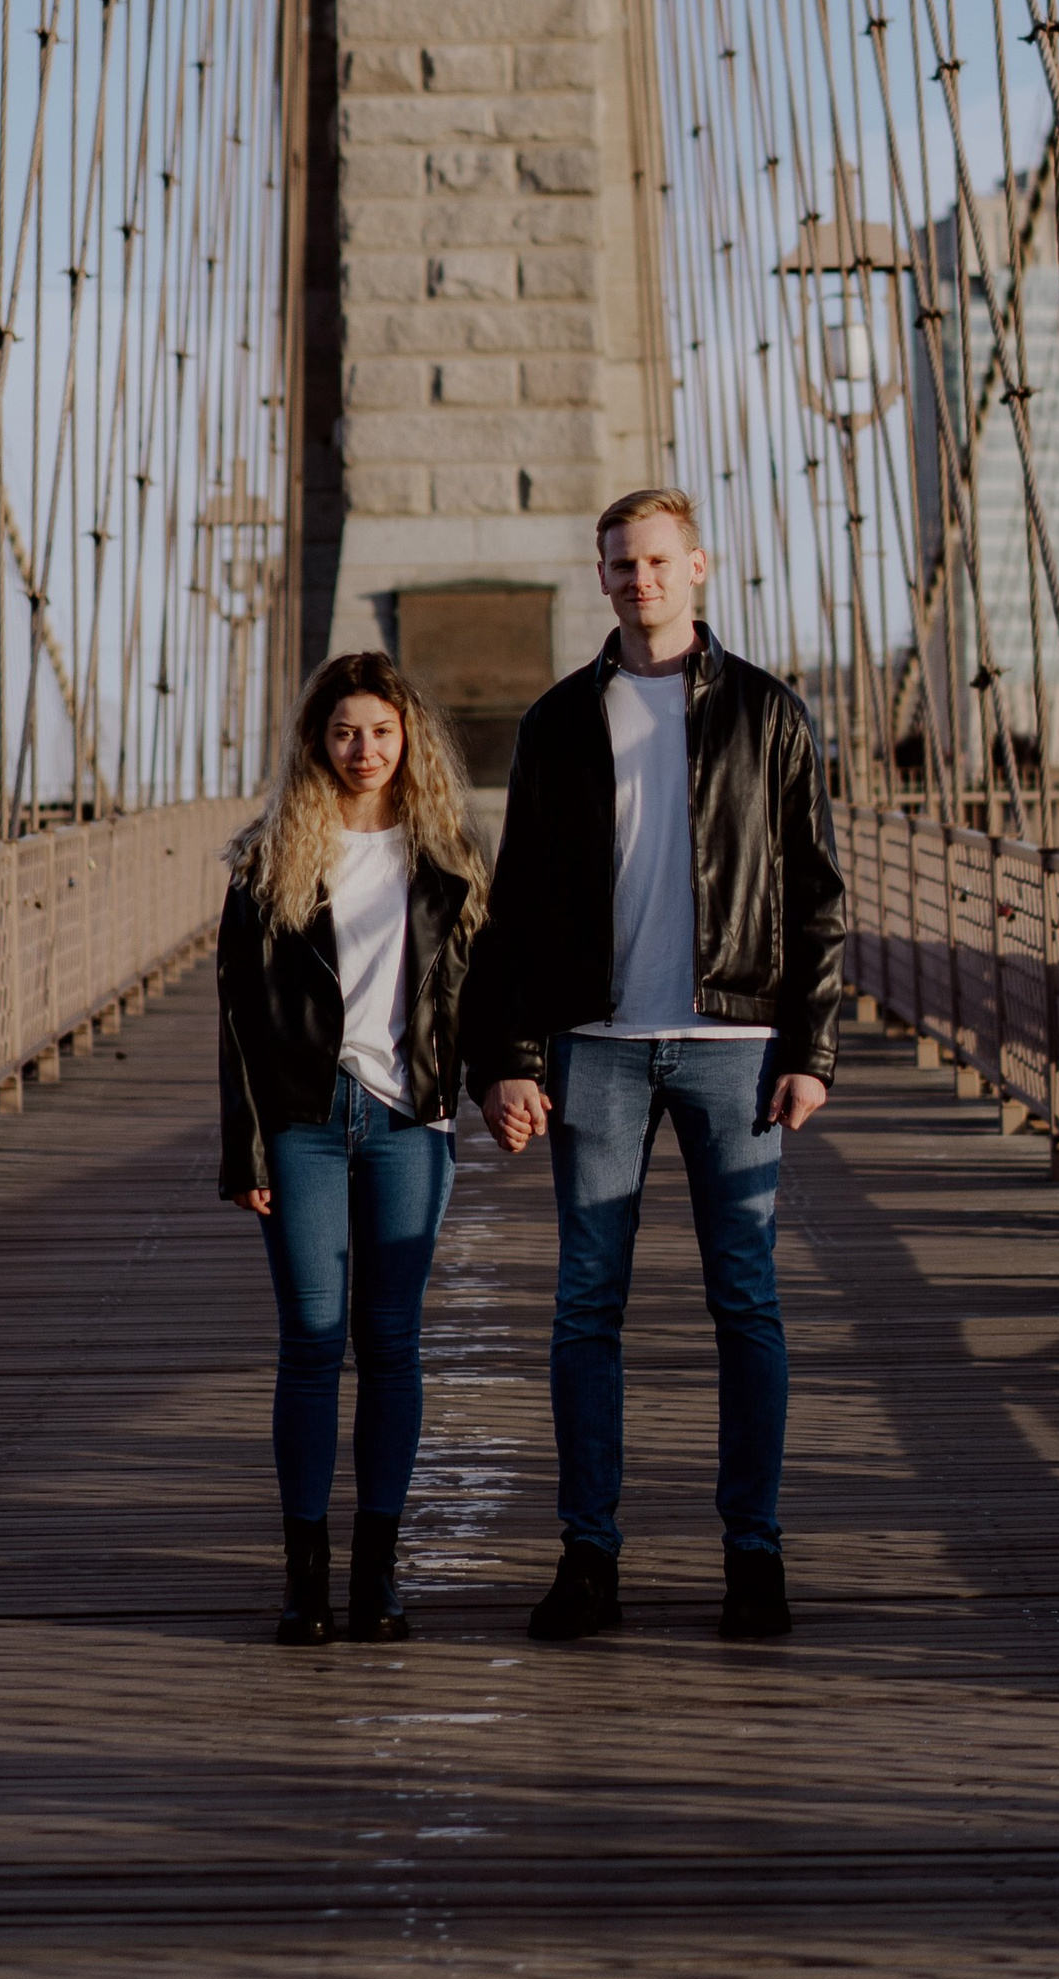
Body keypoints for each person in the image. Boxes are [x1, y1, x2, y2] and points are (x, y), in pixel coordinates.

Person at [462, 486, 844, 1644]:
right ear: (602, 577)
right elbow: (516, 907)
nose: (640, 580)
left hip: (736, 1050)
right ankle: (588, 1558)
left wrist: (810, 1049)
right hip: (597, 1047)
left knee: (747, 1305)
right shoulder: (559, 721)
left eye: (658, 562)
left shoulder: (772, 715)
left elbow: (818, 896)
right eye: (620, 564)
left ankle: (754, 1557)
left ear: (699, 569)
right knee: (586, 1305)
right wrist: (509, 1059)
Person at [217, 650, 488, 1646]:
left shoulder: (451, 852)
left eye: (379, 730)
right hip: (304, 1121)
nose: (362, 749)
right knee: (310, 1343)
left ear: (406, 735)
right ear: (315, 742)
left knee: (393, 1346)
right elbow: (237, 1016)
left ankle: (377, 1574)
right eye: (342, 732)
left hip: (409, 1120)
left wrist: (507, 1077)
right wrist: (243, 1149)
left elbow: (483, 988)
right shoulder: (268, 858)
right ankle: (305, 1578)